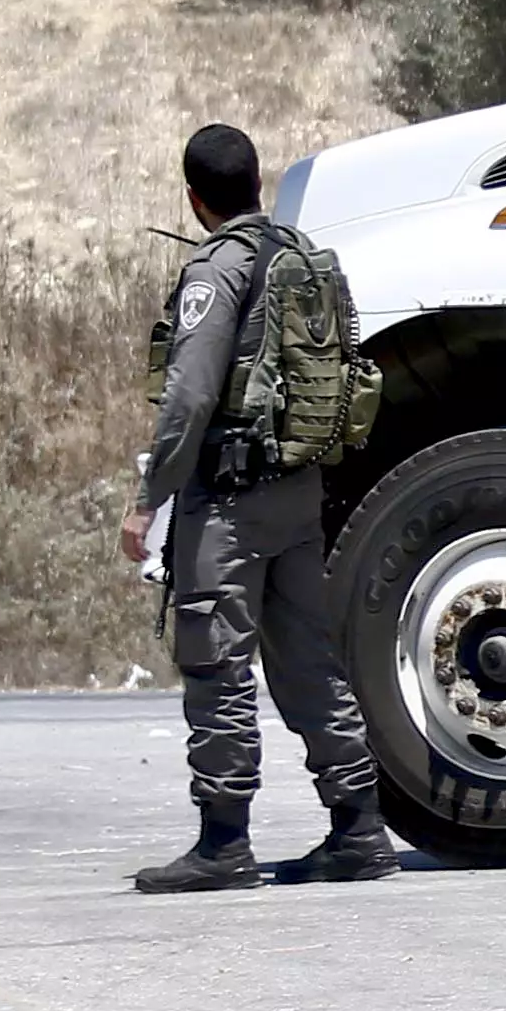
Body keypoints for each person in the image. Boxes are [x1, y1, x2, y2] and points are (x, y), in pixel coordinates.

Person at [127, 120, 392, 893]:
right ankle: (358, 829)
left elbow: (190, 395)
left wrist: (149, 501)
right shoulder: (296, 256)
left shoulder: (221, 268)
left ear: (194, 197)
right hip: (297, 492)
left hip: (233, 502)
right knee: (311, 665)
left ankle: (222, 843)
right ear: (254, 184)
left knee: (216, 665)